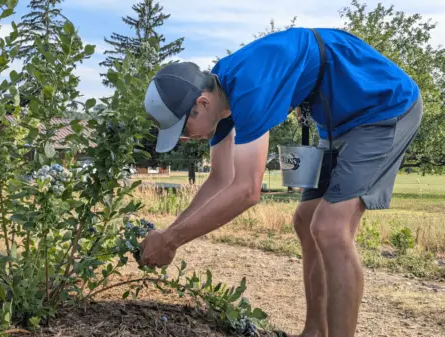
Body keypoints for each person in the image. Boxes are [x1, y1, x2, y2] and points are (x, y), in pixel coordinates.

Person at [137, 27, 422, 337]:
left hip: (384, 109)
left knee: (330, 229)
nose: (185, 137)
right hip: (337, 124)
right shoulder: (222, 92)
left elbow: (247, 190)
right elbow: (220, 179)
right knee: (306, 221)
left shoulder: (249, 87)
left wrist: (172, 240)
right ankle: (314, 331)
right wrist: (168, 234)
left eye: (183, 125)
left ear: (202, 103)